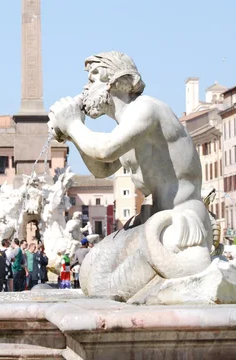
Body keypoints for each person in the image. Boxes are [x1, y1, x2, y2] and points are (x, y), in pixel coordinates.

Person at [48, 51, 213, 299]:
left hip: (181, 225)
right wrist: (73, 134)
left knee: (106, 284)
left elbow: (104, 150)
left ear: (119, 83)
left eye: (93, 80)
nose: (85, 88)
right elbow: (101, 169)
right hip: (152, 224)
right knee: (92, 270)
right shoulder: (126, 127)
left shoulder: (146, 109)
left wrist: (73, 124)